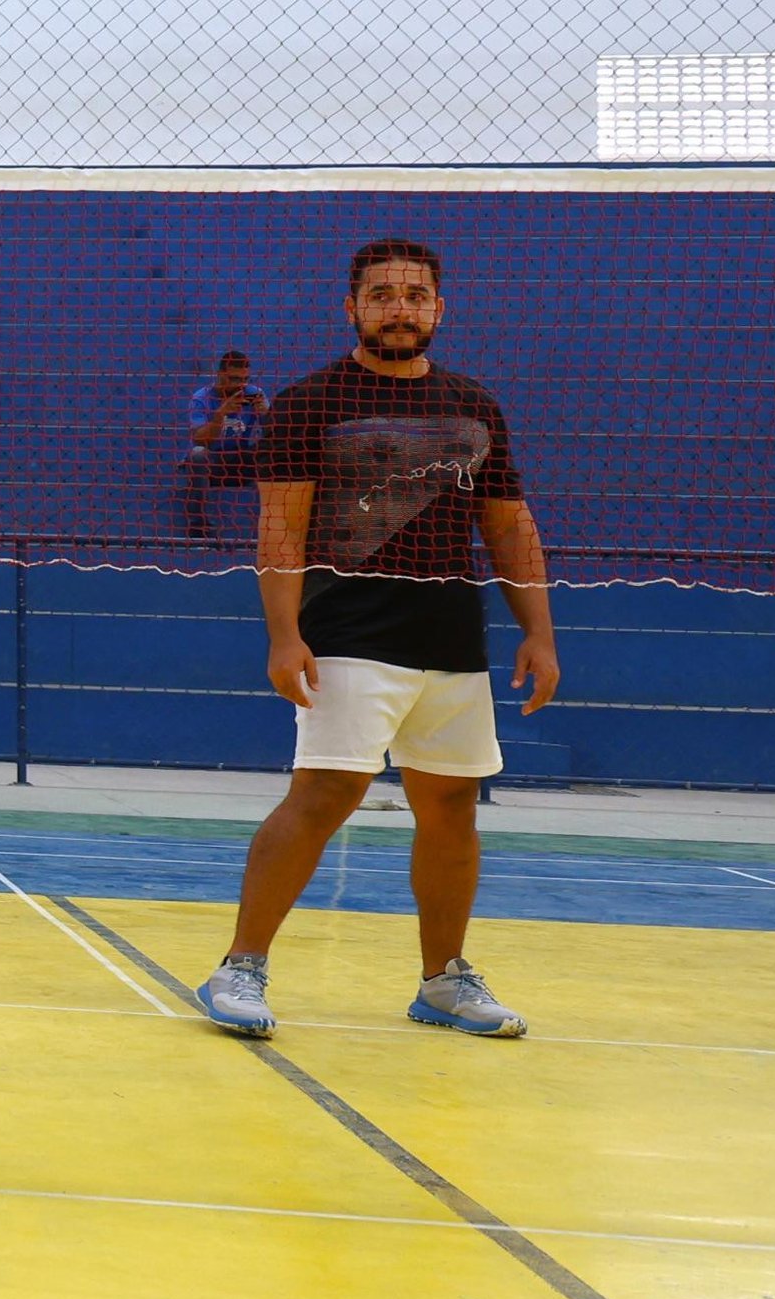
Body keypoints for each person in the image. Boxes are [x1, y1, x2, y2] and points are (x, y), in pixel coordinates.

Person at [193, 240, 560, 1044]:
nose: (400, 307)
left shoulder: (475, 405)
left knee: (454, 806)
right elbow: (281, 526)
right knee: (324, 794)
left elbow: (508, 526)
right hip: (349, 631)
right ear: (351, 308)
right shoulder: (308, 403)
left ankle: (444, 982)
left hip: (452, 636)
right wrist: (284, 636)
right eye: (383, 293)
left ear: (439, 308)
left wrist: (539, 631)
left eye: (415, 294)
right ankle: (240, 968)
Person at [178, 349, 268, 540]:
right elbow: (199, 439)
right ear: (220, 375)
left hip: (241, 458)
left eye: (245, 379)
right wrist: (220, 415)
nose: (240, 385)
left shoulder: (254, 394)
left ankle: (271, 523)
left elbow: (274, 434)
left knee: (272, 451)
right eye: (234, 379)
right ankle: (198, 525)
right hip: (214, 460)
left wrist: (267, 415)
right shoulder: (202, 397)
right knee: (197, 454)